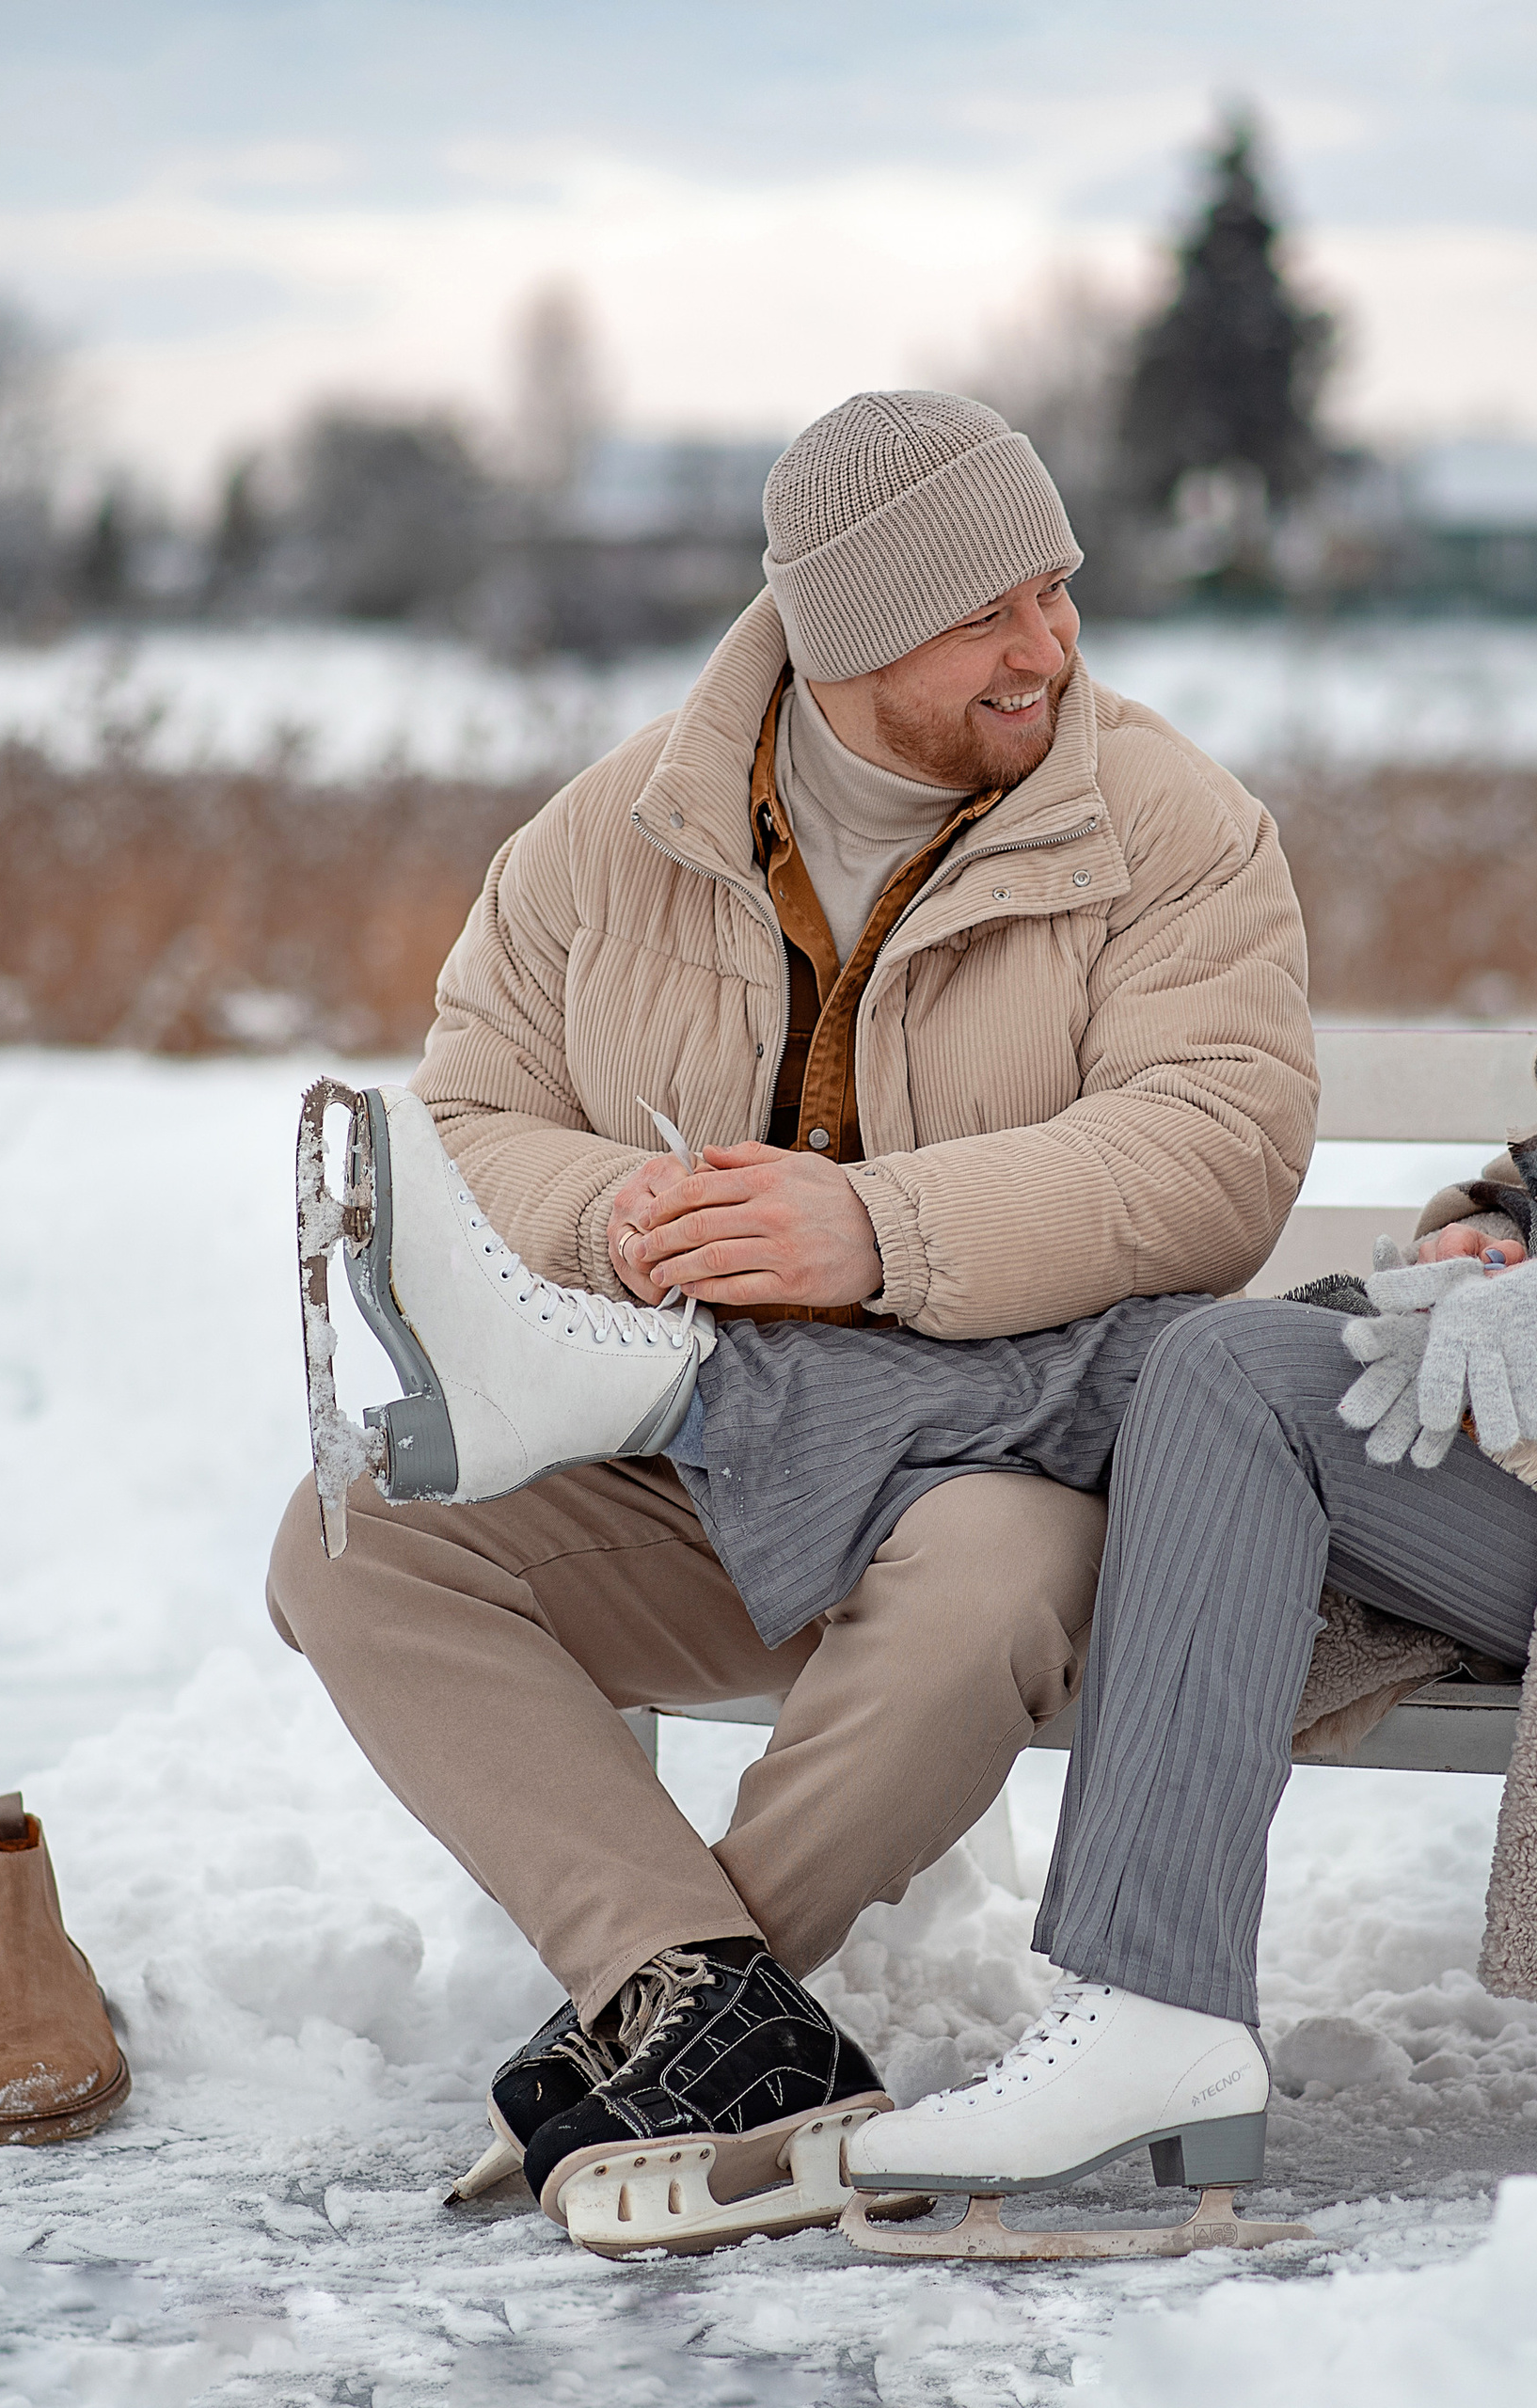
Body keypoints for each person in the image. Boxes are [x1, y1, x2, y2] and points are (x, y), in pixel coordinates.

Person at [364, 402, 1537, 2227]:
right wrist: (1484, 1245)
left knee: (1211, 1363)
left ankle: (1128, 1980)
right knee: (1202, 1368)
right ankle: (1126, 1999)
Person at [265, 388, 1318, 2239]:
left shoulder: (1165, 822)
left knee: (977, 1588)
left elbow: (1213, 1143)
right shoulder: (611, 835)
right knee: (358, 1536)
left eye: (1056, 591)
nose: (1047, 647)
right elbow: (470, 1105)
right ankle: (707, 2012)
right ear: (844, 633)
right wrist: (610, 1206)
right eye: (987, 611)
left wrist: (873, 1228)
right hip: (706, 1444)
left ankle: (661, 2047)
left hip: (1005, 1450)